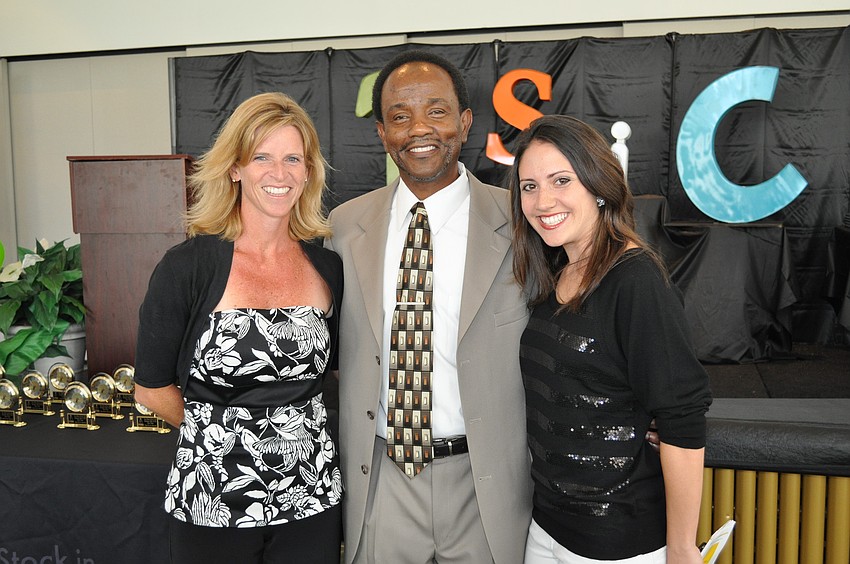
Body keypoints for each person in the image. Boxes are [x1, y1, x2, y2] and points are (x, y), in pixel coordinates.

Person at [326, 50, 533, 563]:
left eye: (437, 111)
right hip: (382, 478)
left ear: (465, 123)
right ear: (381, 133)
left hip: (486, 483)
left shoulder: (523, 224)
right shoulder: (343, 228)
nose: (419, 128)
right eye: (400, 116)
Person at [134, 92, 343, 563]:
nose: (279, 172)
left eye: (293, 158)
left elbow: (337, 374)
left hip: (312, 493)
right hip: (212, 495)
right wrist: (220, 438)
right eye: (262, 157)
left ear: (309, 172)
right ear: (234, 168)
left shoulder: (328, 266)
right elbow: (150, 388)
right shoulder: (185, 267)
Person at [508, 114, 712, 564]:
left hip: (618, 541)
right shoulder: (552, 271)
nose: (544, 201)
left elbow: (682, 418)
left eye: (562, 180)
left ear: (599, 185)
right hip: (545, 528)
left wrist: (681, 546)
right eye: (529, 186)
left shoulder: (635, 279)